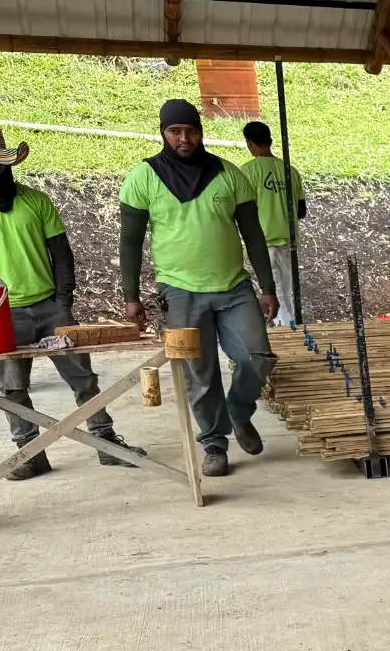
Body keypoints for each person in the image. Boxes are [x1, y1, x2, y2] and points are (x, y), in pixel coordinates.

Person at [0, 124, 142, 480]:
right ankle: (29, 452)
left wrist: (63, 299)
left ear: (8, 166)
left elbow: (62, 255)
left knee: (83, 378)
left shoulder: (36, 201)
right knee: (12, 387)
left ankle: (106, 441)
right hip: (0, 313)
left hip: (50, 304)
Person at [119, 99, 279, 479]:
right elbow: (130, 241)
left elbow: (253, 235)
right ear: (163, 134)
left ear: (201, 132)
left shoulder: (229, 174)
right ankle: (214, 443)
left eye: (191, 131)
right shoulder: (143, 178)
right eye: (175, 132)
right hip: (179, 291)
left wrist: (268, 287)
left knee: (258, 356)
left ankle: (238, 413)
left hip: (234, 287)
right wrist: (130, 296)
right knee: (199, 371)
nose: (184, 138)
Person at [240, 121, 305, 328]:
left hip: (264, 242)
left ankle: (286, 332)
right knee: (287, 291)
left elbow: (243, 210)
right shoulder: (290, 171)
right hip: (289, 241)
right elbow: (301, 210)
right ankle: (292, 328)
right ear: (269, 141)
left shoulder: (248, 172)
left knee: (274, 292)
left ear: (250, 143)